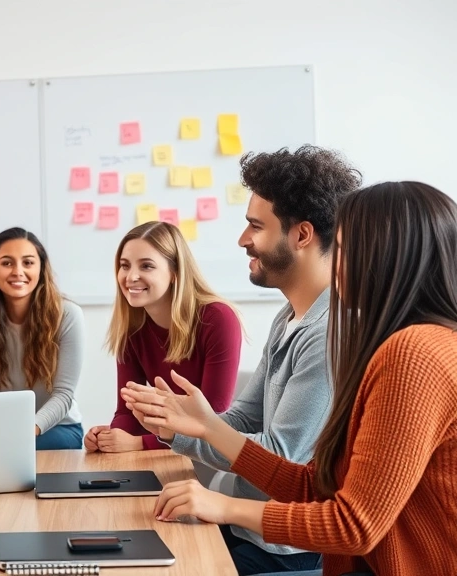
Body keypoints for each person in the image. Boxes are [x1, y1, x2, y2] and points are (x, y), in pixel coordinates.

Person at [123, 181, 457, 576]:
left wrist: (223, 505)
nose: (334, 262)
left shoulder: (415, 355)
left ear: (388, 259)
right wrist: (204, 426)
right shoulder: (406, 344)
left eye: (346, 249)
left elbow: (354, 526)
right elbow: (314, 486)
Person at [128, 146, 360, 575]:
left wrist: (201, 431)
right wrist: (173, 427)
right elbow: (240, 422)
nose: (243, 239)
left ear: (302, 235)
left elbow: (283, 460)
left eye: (255, 226)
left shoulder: (329, 332)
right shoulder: (289, 316)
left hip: (289, 550)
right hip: (248, 531)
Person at [84, 222, 241, 454]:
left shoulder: (218, 319)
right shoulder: (132, 328)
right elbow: (128, 412)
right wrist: (110, 438)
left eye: (146, 266)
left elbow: (212, 423)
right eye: (124, 266)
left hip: (210, 456)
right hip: (166, 450)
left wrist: (140, 443)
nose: (131, 277)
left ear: (174, 273)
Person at [0, 227, 85, 450]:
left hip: (57, 429)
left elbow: (64, 395)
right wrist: (9, 433)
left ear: (41, 268)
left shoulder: (68, 315)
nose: (18, 271)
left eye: (28, 263)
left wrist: (28, 430)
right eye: (7, 263)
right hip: (2, 429)